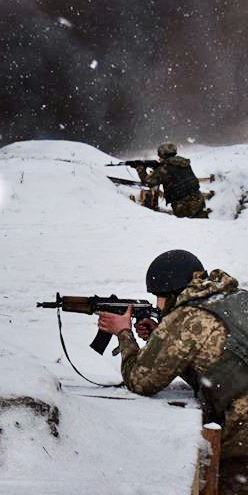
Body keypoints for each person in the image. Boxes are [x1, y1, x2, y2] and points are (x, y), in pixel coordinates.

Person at [98, 250, 248, 493]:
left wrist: (123, 333)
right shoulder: (238, 298)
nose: (157, 303)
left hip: (240, 443)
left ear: (170, 292)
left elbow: (140, 380)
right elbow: (220, 359)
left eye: (158, 296)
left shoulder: (185, 318)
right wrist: (162, 339)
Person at [134, 143, 208, 218]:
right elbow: (175, 175)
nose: (159, 157)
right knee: (203, 226)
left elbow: (147, 183)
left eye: (159, 155)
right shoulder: (184, 163)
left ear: (163, 155)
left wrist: (140, 170)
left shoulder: (164, 169)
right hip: (199, 200)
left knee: (189, 227)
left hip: (184, 206)